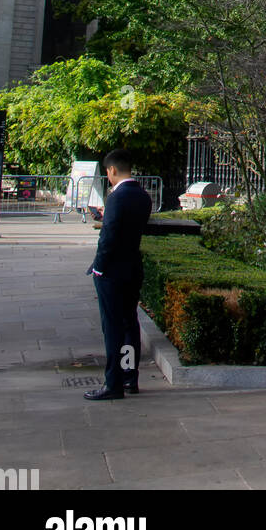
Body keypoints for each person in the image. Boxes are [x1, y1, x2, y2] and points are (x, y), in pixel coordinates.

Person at [84, 150, 152, 401]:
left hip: (112, 271)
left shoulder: (116, 197)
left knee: (111, 327)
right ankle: (129, 377)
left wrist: (98, 267)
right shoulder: (143, 196)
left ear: (112, 170)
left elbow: (109, 236)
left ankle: (113, 384)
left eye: (107, 173)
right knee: (128, 325)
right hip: (133, 267)